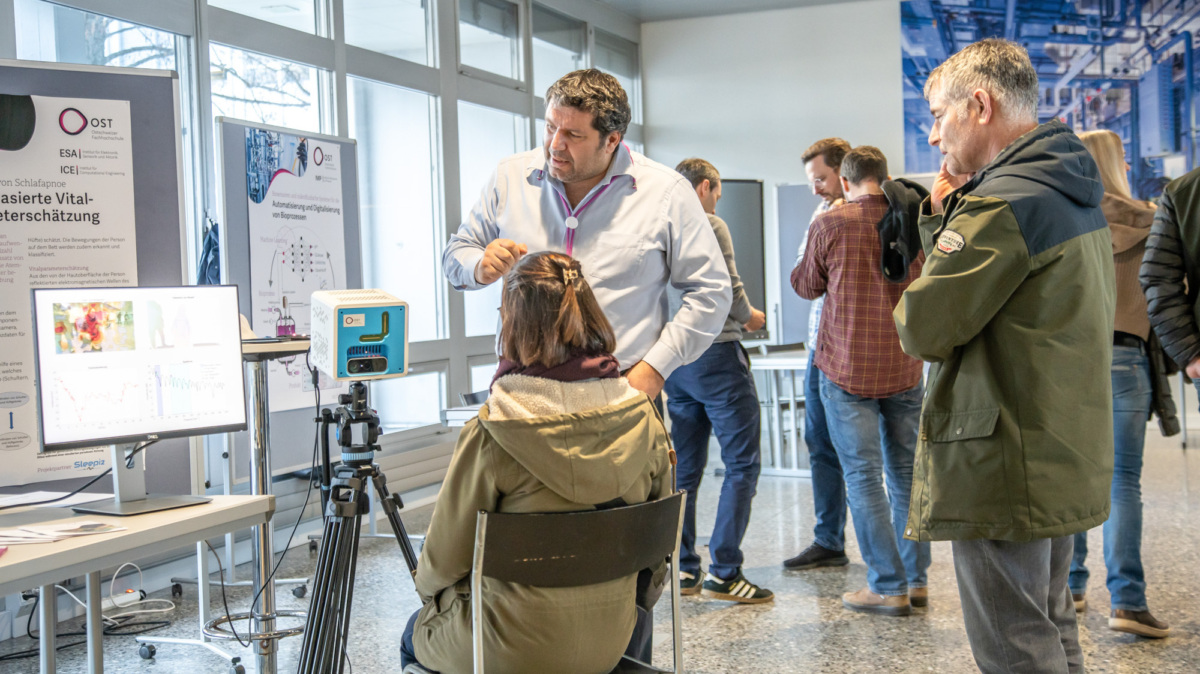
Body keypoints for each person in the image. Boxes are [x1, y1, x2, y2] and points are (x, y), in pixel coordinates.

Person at [894, 38, 1114, 673]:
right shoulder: (1066, 188)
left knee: (1015, 644)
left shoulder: (1000, 204)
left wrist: (944, 228)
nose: (934, 136)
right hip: (1053, 447)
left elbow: (923, 327)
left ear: (979, 105)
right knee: (1051, 626)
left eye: (938, 115)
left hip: (1000, 457)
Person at [400, 252, 674, 674]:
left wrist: (433, 596)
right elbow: (654, 556)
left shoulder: (494, 430)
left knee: (411, 636)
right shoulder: (643, 417)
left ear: (512, 324)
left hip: (504, 649)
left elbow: (441, 564)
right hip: (611, 641)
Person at [442, 69, 731, 401]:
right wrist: (478, 264)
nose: (555, 144)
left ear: (612, 140)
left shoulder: (666, 192)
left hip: (622, 391)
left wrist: (655, 368)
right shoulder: (509, 177)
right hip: (522, 392)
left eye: (573, 135)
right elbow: (456, 254)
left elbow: (711, 294)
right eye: (550, 126)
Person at [792, 146, 930, 616]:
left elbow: (806, 285)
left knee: (864, 478)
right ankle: (916, 581)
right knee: (907, 475)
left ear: (845, 182)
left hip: (847, 369)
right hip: (905, 365)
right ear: (885, 177)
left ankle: (887, 586)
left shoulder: (831, 223)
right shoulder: (913, 220)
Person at [1067, 129, 1174, 638]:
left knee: (1069, 480)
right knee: (1122, 482)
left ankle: (1070, 586)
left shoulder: (1068, 221)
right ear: (1117, 163)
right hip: (1128, 360)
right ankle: (1128, 602)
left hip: (1069, 363)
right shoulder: (1155, 221)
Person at [665, 158, 772, 603]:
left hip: (673, 359)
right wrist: (751, 318)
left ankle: (685, 569)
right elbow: (727, 287)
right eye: (717, 193)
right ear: (705, 187)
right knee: (742, 464)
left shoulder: (659, 222)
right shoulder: (709, 222)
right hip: (717, 356)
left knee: (685, 469)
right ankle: (725, 571)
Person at [783, 137, 852, 571]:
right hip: (818, 346)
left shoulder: (870, 214)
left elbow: (813, 275)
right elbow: (805, 275)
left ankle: (896, 561)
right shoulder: (821, 214)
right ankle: (829, 539)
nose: (815, 188)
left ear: (844, 173)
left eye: (821, 179)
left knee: (869, 456)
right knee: (820, 443)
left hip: (853, 350)